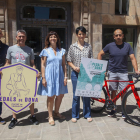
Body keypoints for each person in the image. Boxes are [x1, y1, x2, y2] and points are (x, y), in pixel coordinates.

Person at [1, 30, 39, 129]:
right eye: (19, 36)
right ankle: (14, 118)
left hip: (26, 77)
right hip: (14, 78)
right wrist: (3, 70)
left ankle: (32, 115)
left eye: (23, 36)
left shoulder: (29, 50)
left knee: (30, 96)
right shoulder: (11, 49)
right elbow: (8, 62)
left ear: (26, 38)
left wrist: (35, 71)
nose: (21, 38)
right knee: (14, 97)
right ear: (16, 37)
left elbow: (32, 64)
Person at [98, 29, 140, 118]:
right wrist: (101, 68)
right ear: (114, 37)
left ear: (123, 36)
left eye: (120, 35)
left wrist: (136, 70)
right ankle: (113, 109)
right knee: (113, 91)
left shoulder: (127, 46)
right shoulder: (110, 46)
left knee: (123, 92)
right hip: (112, 72)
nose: (118, 37)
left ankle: (124, 111)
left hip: (123, 72)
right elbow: (100, 54)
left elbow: (132, 58)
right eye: (116, 35)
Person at [37, 31, 68, 126]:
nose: (53, 38)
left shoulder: (61, 51)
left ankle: (56, 112)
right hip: (49, 76)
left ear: (57, 39)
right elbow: (42, 65)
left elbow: (63, 64)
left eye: (54, 36)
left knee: (60, 95)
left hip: (60, 76)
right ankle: (50, 115)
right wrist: (43, 78)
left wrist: (65, 76)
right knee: (51, 96)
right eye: (51, 37)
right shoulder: (45, 51)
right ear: (48, 39)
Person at [67, 26, 93, 123]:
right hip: (75, 74)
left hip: (86, 74)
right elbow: (68, 60)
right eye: (79, 34)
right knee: (76, 95)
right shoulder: (72, 47)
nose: (81, 36)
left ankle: (87, 114)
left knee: (86, 95)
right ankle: (75, 115)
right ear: (77, 35)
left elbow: (91, 60)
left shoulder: (89, 46)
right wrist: (74, 67)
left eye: (83, 34)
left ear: (85, 35)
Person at [0, 29, 9, 124]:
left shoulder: (6, 47)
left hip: (1, 74)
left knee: (0, 96)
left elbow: (8, 61)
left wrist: (3, 68)